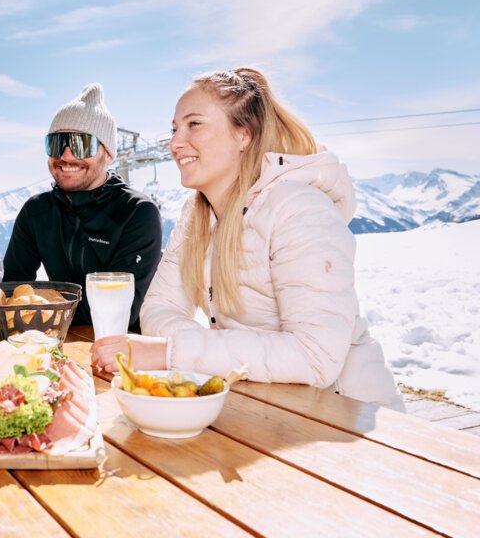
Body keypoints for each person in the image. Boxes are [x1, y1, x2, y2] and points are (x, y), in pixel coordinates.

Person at [91, 68, 402, 409]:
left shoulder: (299, 209)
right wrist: (200, 355)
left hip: (349, 419)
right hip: (266, 408)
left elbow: (316, 356)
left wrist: (172, 352)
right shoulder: (197, 215)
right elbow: (160, 308)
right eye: (175, 129)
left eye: (194, 124)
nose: (176, 143)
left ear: (243, 135)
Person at [3, 83, 163, 333]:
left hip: (122, 349)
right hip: (55, 342)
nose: (66, 156)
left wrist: (36, 303)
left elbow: (118, 308)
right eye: (57, 144)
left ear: (108, 154)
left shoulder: (136, 212)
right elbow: (12, 290)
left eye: (80, 144)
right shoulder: (37, 211)